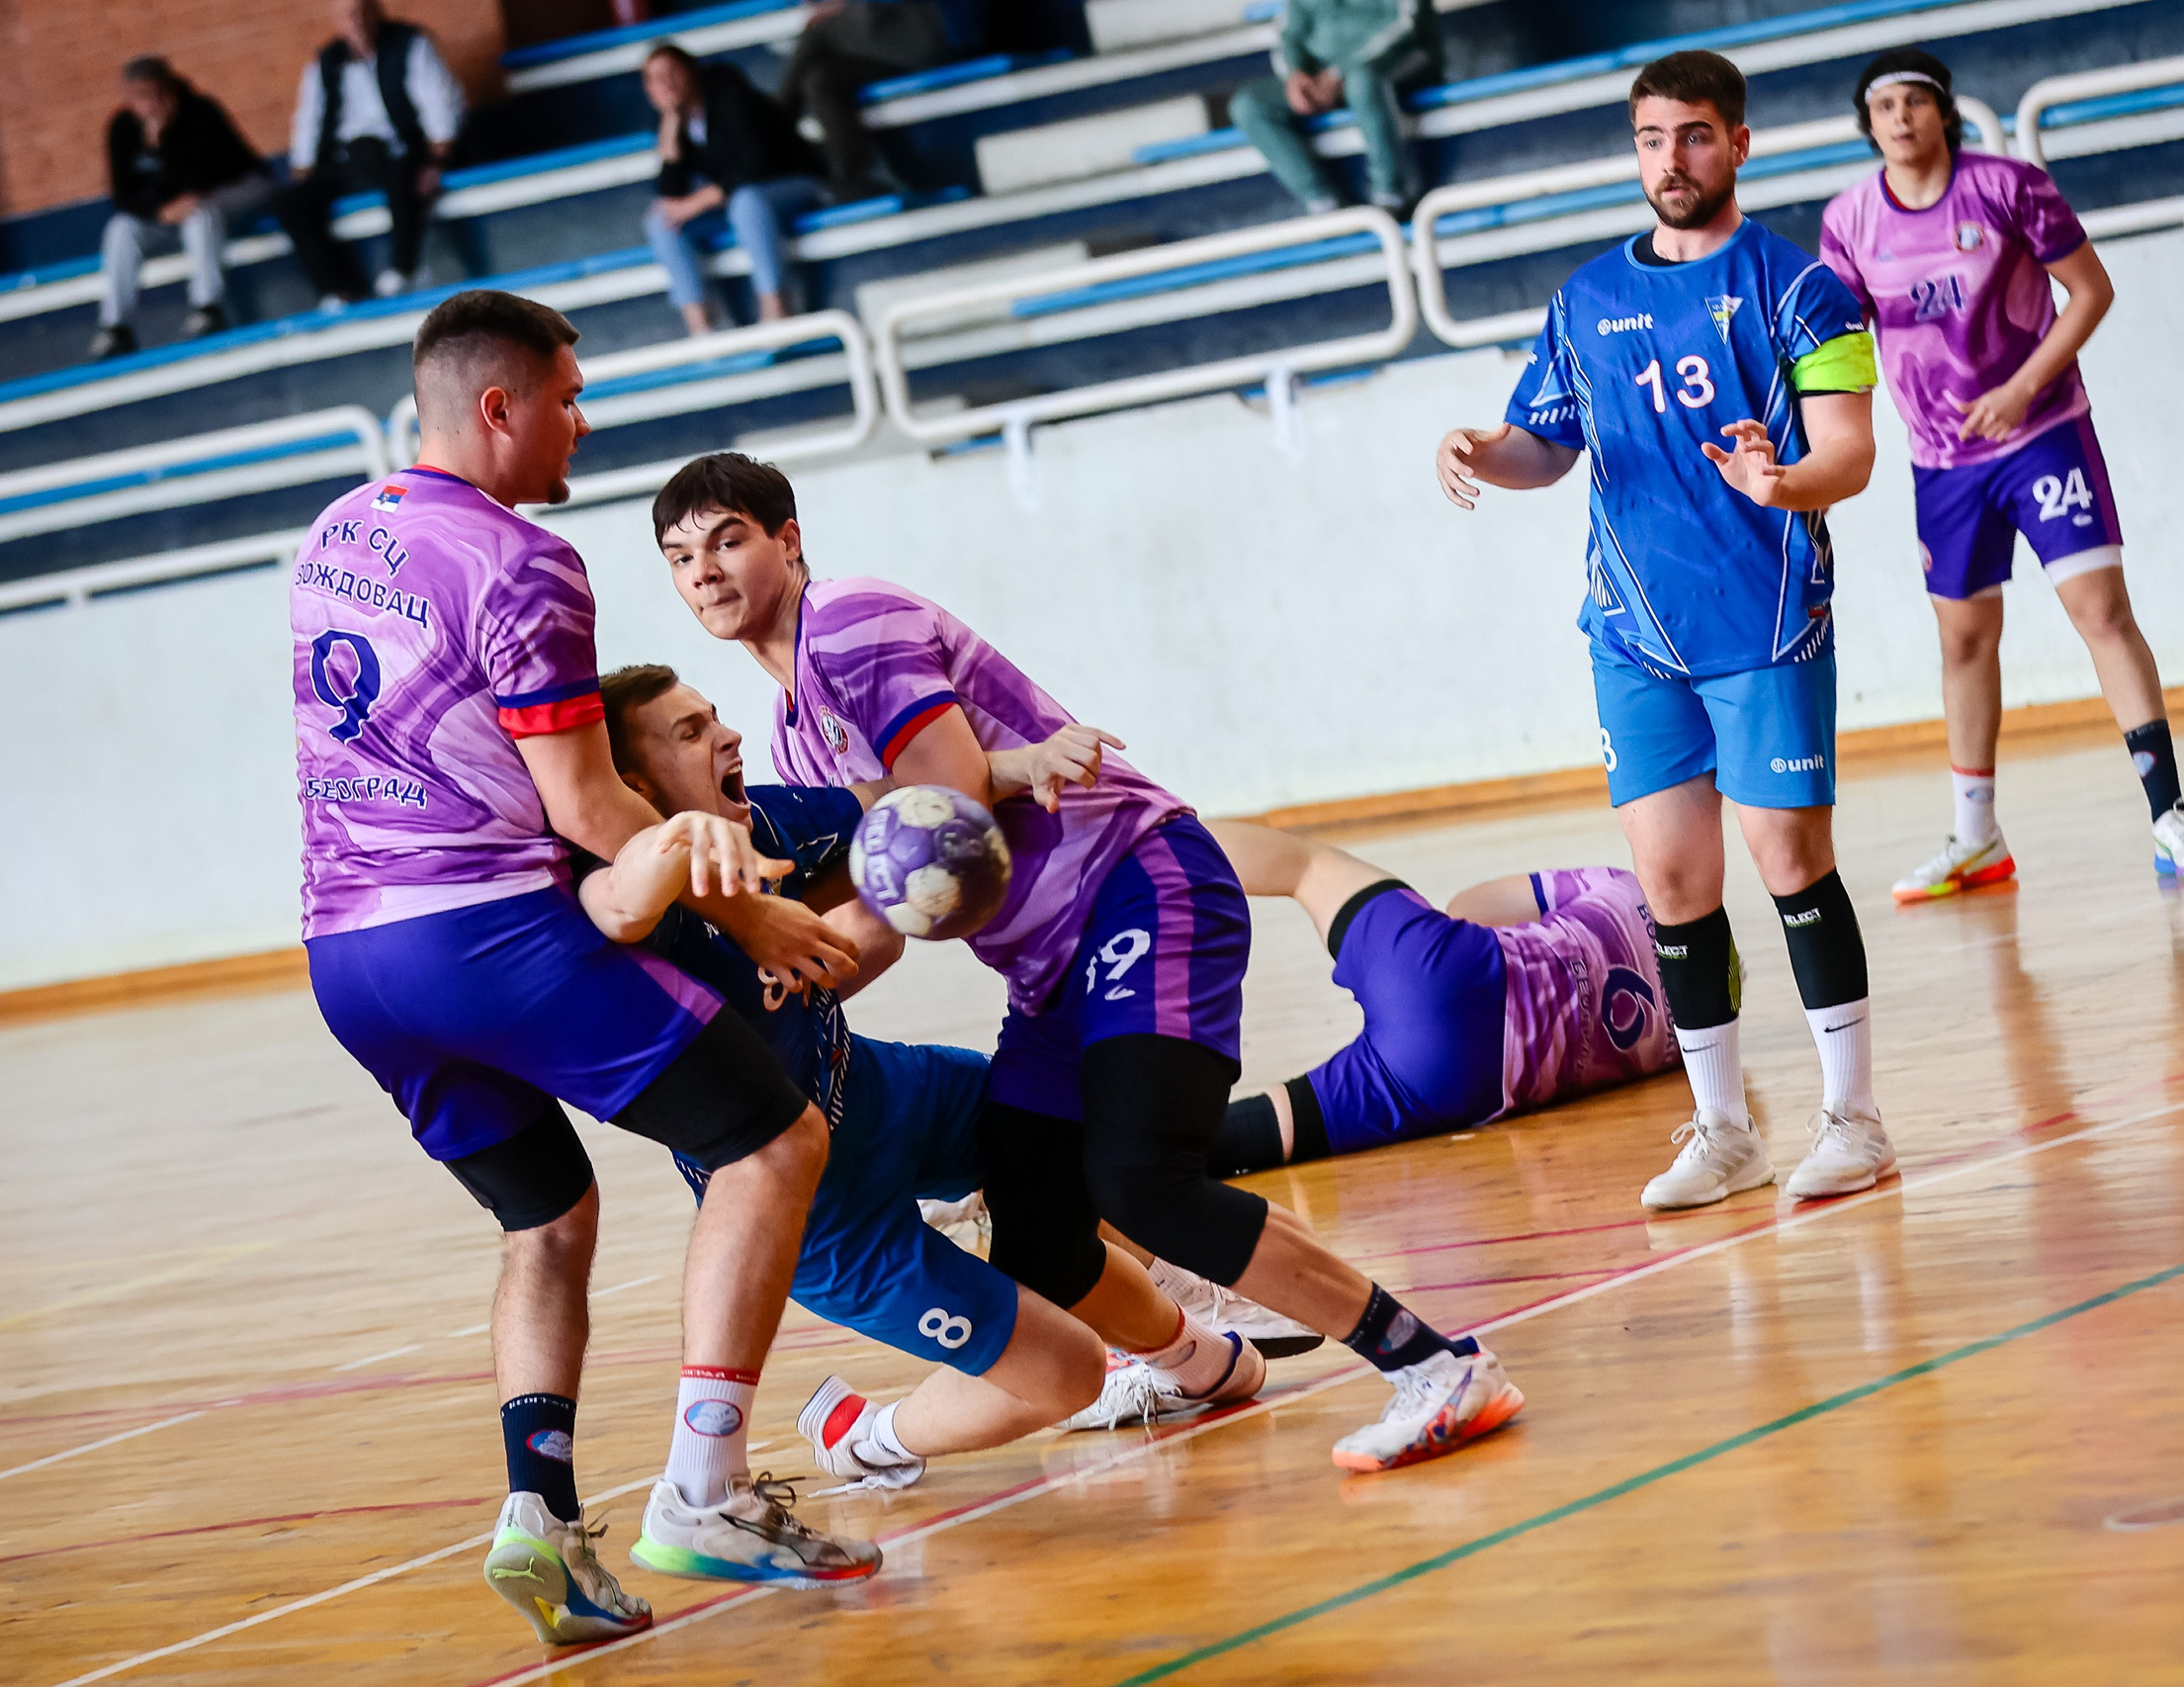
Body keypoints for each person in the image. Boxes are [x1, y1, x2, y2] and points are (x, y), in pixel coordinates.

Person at [655, 451, 1526, 1472]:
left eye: (726, 540)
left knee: (1141, 1178)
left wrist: (999, 773)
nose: (704, 570)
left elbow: (949, 807)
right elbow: (886, 916)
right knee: (1039, 1235)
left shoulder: (849, 622)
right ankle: (1184, 1358)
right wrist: (777, 979)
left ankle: (1432, 1363)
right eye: (679, 556)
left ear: (787, 541)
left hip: (1132, 885)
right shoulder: (795, 739)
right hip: (1048, 965)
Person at [293, 292, 879, 1647]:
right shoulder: (525, 560)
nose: (583, 417)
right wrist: (762, 922)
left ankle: (539, 1520)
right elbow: (590, 807)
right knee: (775, 1141)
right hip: (483, 935)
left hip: (346, 957)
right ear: (498, 407)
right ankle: (706, 1487)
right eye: (567, 393)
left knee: (546, 1221)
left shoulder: (337, 533)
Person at [586, 663, 1268, 1486]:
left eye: (715, 717)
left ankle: (1180, 1334)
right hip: (819, 1218)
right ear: (628, 785)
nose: (727, 736)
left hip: (879, 1093)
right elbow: (619, 901)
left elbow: (888, 813)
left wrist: (1013, 770)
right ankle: (865, 1436)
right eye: (690, 734)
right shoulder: (626, 920)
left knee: (1071, 1133)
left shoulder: (764, 816)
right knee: (1068, 1373)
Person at [1433, 50, 1895, 1212]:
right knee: (1671, 876)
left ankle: (1855, 1118)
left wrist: (1782, 483)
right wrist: (1483, 452)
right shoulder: (1582, 298)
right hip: (1631, 633)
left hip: (1764, 621)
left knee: (1790, 861)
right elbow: (1545, 444)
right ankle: (1725, 1126)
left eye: (1692, 136)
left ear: (1738, 143)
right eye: (1649, 138)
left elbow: (1850, 450)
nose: (1669, 160)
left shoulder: (1803, 288)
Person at [1818, 47, 2184, 898]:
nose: (1900, 119)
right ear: (1868, 125)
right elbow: (1841, 345)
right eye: (1884, 106)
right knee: (1964, 640)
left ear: (1945, 113)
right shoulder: (1849, 222)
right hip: (1941, 464)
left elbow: (2090, 291)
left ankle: (2169, 817)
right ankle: (1977, 837)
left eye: (1915, 102)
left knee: (2102, 613)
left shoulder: (2007, 187)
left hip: (2044, 434)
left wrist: (2021, 387)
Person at [1204, 822, 1680, 1176]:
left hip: (1460, 972)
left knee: (1306, 865)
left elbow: (1469, 907)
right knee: (1282, 1127)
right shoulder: (1686, 1045)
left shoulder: (1627, 885)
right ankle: (1141, 1149)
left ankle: (1145, 833)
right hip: (1462, 1083)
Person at [277, 0, 467, 306]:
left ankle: (404, 268)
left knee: (407, 174)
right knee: (289, 204)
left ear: (377, 11)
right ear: (336, 20)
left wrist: (437, 159)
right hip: (347, 160)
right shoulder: (325, 62)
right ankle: (340, 289)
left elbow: (439, 102)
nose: (357, 22)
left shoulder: (411, 44)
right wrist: (302, 168)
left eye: (362, 11)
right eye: (347, 16)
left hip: (401, 150)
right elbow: (308, 118)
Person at [642, 44, 830, 338]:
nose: (666, 84)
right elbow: (671, 194)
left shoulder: (727, 90)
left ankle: (777, 309)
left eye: (672, 73)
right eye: (655, 79)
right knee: (660, 221)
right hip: (737, 199)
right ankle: (701, 328)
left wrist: (699, 201)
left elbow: (756, 163)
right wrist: (671, 127)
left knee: (747, 202)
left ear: (691, 71)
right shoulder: (671, 119)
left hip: (793, 184)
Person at [92, 56, 273, 359]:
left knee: (199, 213)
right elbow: (123, 195)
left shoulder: (201, 113)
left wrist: (162, 142)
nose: (151, 104)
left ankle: (208, 307)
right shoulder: (122, 128)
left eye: (157, 94)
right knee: (121, 229)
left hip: (223, 198)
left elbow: (203, 177)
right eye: (141, 98)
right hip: (164, 216)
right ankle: (115, 327)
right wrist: (159, 210)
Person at [1228, 0, 1440, 217]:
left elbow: (1405, 24)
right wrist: (1296, 73)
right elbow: (1289, 34)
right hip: (1325, 79)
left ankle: (1392, 195)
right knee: (1249, 105)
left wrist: (1340, 72)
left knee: (1362, 82)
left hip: (1398, 63)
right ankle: (1323, 203)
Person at [780, 0, 983, 200]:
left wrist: (845, 7)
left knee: (819, 32)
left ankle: (778, 128)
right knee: (819, 79)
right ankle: (854, 175)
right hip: (889, 41)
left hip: (930, 25)